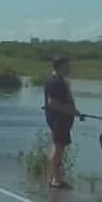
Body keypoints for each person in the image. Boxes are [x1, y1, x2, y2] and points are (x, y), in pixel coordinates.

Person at [43, 56, 82, 189]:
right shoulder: (54, 82)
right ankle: (56, 180)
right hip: (58, 119)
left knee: (57, 147)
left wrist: (73, 111)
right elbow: (53, 103)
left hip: (61, 119)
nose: (69, 69)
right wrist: (71, 111)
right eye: (67, 66)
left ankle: (53, 177)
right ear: (59, 66)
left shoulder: (60, 81)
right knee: (58, 148)